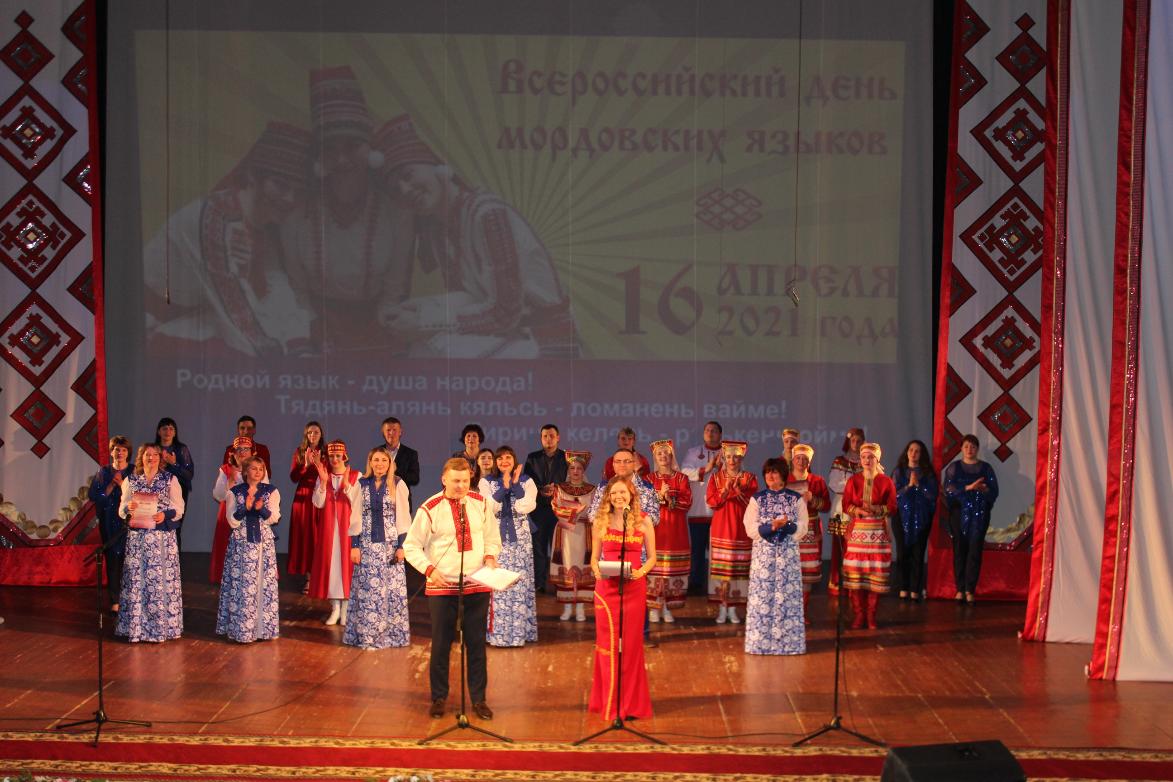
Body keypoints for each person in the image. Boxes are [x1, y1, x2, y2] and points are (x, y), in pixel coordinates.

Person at [373, 113, 576, 359]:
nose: (405, 190)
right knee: (421, 347)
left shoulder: (488, 215)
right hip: (504, 332)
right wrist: (418, 311)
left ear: (436, 165)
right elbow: (470, 300)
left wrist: (425, 322)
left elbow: (505, 314)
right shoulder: (438, 229)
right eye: (396, 189)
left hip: (544, 336)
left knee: (431, 351)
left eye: (408, 175)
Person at [142, 121, 315, 357]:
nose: (290, 199)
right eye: (281, 185)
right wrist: (285, 353)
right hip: (154, 324)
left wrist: (297, 338)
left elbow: (276, 284)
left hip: (209, 313)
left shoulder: (266, 223)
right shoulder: (212, 220)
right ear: (253, 176)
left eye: (298, 191)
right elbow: (237, 313)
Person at [280, 67, 415, 349]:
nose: (341, 160)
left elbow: (394, 288)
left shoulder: (397, 208)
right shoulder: (296, 209)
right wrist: (311, 326)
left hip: (377, 321)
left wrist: (383, 325)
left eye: (352, 146)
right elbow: (297, 288)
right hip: (314, 322)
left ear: (371, 150)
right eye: (330, 148)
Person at [403, 458, 501, 720]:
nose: (461, 486)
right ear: (444, 480)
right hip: (442, 585)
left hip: (476, 584)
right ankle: (439, 697)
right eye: (456, 481)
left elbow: (492, 538)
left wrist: (490, 556)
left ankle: (478, 699)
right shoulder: (430, 508)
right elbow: (411, 546)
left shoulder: (480, 503)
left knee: (476, 644)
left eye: (465, 481)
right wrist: (429, 570)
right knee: (441, 643)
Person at [588, 476, 656, 721]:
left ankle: (632, 704)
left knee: (631, 647)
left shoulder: (644, 520)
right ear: (608, 496)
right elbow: (594, 558)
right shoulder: (600, 521)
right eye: (614, 493)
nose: (618, 497)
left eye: (623, 492)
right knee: (607, 646)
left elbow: (653, 557)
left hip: (634, 589)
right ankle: (609, 702)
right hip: (607, 591)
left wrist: (641, 572)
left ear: (631, 495)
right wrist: (596, 570)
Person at [116, 443, 185, 643]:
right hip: (138, 539)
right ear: (141, 457)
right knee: (137, 581)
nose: (151, 458)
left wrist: (165, 515)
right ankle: (136, 628)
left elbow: (179, 508)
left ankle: (161, 627)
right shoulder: (131, 480)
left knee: (158, 582)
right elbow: (122, 509)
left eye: (155, 455)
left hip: (161, 539)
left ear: (160, 458)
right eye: (148, 454)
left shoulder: (170, 479)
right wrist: (128, 508)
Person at [344, 447, 412, 649]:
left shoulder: (398, 484)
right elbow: (355, 516)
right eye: (376, 460)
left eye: (384, 460)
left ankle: (393, 637)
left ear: (390, 463)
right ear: (370, 462)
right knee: (368, 591)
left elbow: (403, 518)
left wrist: (401, 546)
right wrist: (355, 545)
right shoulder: (362, 484)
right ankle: (368, 637)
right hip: (367, 545)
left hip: (390, 547)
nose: (380, 463)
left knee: (391, 591)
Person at [744, 457, 808, 655]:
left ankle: (789, 644)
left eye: (774, 471)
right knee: (762, 599)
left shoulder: (795, 499)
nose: (770, 475)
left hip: (787, 557)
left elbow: (803, 528)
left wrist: (786, 525)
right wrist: (771, 527)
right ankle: (759, 644)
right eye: (767, 472)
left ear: (783, 475)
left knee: (787, 598)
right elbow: (750, 528)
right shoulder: (757, 499)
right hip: (764, 558)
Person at [216, 456, 280, 643]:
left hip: (263, 544)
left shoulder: (271, 491)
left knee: (263, 584)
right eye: (253, 468)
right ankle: (243, 629)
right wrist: (245, 508)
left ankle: (263, 629)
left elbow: (274, 518)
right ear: (245, 471)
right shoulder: (235, 492)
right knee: (242, 584)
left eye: (261, 469)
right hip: (241, 543)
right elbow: (232, 521)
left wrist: (262, 510)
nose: (258, 472)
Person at [480, 446, 538, 647]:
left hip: (521, 539)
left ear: (514, 460)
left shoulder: (526, 481)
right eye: (500, 458)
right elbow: (488, 507)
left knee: (519, 583)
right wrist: (503, 488)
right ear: (495, 462)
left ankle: (519, 633)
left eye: (508, 458)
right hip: (495, 538)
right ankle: (498, 635)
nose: (504, 461)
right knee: (497, 584)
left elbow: (526, 506)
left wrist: (514, 485)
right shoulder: (486, 482)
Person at [841, 442, 897, 629]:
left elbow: (892, 506)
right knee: (856, 575)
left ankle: (871, 615)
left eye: (870, 457)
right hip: (858, 533)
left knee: (875, 575)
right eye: (864, 457)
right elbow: (846, 504)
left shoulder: (886, 481)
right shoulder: (853, 481)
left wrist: (877, 509)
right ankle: (859, 615)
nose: (866, 460)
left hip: (877, 534)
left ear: (877, 459)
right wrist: (857, 510)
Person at [942, 434, 999, 603]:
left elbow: (994, 491)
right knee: (959, 550)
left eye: (973, 447)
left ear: (977, 449)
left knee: (975, 551)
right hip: (958, 514)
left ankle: (970, 590)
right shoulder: (954, 467)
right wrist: (968, 487)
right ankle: (960, 589)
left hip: (979, 515)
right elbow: (948, 490)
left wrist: (983, 490)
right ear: (961, 448)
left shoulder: (986, 468)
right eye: (966, 446)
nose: (969, 450)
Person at [706, 440, 758, 623]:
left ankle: (734, 608)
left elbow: (753, 504)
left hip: (741, 530)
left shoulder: (749, 478)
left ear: (741, 458)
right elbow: (711, 502)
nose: (732, 460)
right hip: (721, 530)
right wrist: (724, 492)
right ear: (723, 458)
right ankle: (722, 607)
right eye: (728, 457)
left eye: (736, 457)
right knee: (721, 571)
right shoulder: (715, 478)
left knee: (738, 570)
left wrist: (736, 490)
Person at [310, 440, 361, 625]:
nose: (335, 459)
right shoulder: (324, 475)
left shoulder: (356, 476)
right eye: (331, 456)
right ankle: (335, 608)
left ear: (344, 456)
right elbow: (318, 503)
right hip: (329, 530)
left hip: (348, 529)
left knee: (347, 567)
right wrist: (323, 482)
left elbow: (359, 502)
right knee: (331, 567)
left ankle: (346, 609)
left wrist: (346, 485)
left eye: (338, 456)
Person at [210, 436, 268, 584]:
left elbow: (265, 489)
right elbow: (218, 495)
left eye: (246, 449)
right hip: (230, 512)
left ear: (252, 452)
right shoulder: (226, 469)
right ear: (234, 452)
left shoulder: (259, 468)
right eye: (239, 449)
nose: (242, 452)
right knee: (228, 546)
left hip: (252, 513)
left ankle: (253, 577)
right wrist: (230, 481)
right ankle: (228, 578)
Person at [646, 439, 692, 623]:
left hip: (675, 531)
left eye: (666, 453)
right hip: (655, 531)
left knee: (670, 570)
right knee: (655, 571)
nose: (663, 456)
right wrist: (659, 496)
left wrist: (669, 497)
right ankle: (654, 607)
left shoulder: (682, 478)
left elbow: (687, 502)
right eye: (659, 453)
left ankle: (666, 607)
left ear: (672, 456)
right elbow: (643, 504)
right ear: (655, 458)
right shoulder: (649, 479)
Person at [786, 444, 831, 623]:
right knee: (789, 571)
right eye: (798, 458)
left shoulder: (817, 481)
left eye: (805, 459)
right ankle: (788, 612)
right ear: (793, 460)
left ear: (809, 462)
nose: (801, 461)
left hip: (811, 529)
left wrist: (813, 499)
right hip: (790, 529)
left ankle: (802, 613)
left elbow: (826, 505)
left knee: (807, 574)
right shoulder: (785, 479)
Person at [87, 436, 132, 614]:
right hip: (109, 521)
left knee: (129, 561)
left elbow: (139, 495)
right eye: (117, 449)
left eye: (123, 450)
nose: (120, 453)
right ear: (111, 452)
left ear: (128, 453)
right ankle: (115, 600)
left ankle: (130, 598)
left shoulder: (134, 471)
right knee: (112, 560)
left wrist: (123, 486)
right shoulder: (104, 472)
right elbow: (94, 496)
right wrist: (111, 486)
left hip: (129, 520)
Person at [550, 450, 596, 621]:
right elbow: (555, 507)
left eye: (579, 468)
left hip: (584, 532)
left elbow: (596, 510)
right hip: (565, 532)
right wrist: (574, 512)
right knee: (567, 564)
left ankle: (582, 607)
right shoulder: (560, 488)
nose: (575, 471)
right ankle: (567, 606)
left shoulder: (592, 490)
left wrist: (585, 513)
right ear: (568, 470)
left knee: (583, 566)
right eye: (572, 468)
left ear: (583, 471)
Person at [891, 440, 939, 601]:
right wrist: (908, 486)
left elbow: (932, 495)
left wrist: (918, 486)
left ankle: (915, 589)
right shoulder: (899, 471)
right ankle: (903, 587)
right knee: (902, 553)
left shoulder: (927, 473)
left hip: (921, 518)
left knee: (918, 553)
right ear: (907, 452)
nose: (913, 453)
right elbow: (893, 495)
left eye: (917, 451)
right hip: (901, 517)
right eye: (911, 450)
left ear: (921, 454)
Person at [681, 420, 724, 595]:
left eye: (714, 430)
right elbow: (684, 472)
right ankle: (696, 583)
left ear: (720, 434)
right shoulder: (693, 452)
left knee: (718, 551)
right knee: (697, 549)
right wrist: (706, 468)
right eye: (707, 430)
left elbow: (738, 473)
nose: (710, 433)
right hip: (698, 509)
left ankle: (718, 585)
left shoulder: (729, 453)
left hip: (720, 511)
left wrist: (721, 468)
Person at [523, 424, 568, 593]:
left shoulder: (566, 458)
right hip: (539, 509)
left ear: (558, 438)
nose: (548, 439)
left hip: (559, 509)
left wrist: (556, 488)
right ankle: (539, 583)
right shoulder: (532, 458)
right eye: (545, 436)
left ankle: (559, 583)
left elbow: (571, 480)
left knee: (558, 548)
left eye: (551, 436)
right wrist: (541, 489)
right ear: (541, 439)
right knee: (539, 547)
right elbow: (527, 481)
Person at [826, 427, 865, 594]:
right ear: (848, 442)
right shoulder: (840, 461)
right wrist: (854, 487)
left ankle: (853, 583)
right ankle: (836, 582)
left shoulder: (866, 461)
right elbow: (834, 483)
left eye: (859, 440)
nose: (855, 443)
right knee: (840, 547)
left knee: (856, 548)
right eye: (853, 440)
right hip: (841, 509)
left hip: (860, 510)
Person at [288, 421, 326, 589]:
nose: (313, 435)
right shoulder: (300, 451)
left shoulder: (326, 452)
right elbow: (293, 477)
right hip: (304, 498)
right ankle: (309, 578)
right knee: (306, 537)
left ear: (321, 434)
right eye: (310, 432)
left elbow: (330, 475)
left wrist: (318, 464)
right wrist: (306, 465)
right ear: (306, 435)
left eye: (316, 432)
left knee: (320, 537)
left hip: (321, 496)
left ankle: (322, 576)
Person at [377, 417, 420, 502]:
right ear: (383, 432)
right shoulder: (376, 453)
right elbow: (371, 476)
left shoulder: (410, 453)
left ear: (400, 432)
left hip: (402, 500)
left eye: (394, 430)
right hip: (379, 500)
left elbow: (415, 479)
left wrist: (395, 471)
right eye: (388, 430)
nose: (391, 433)